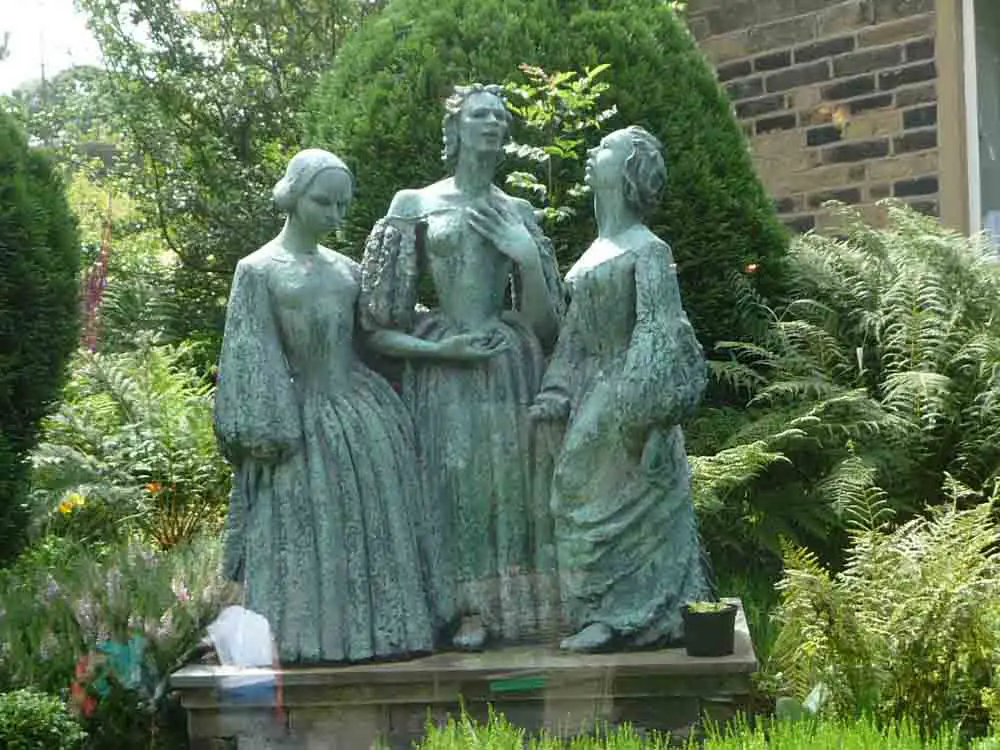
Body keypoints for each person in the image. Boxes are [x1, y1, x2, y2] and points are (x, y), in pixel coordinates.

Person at [359, 84, 565, 650]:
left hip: (505, 365)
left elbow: (546, 327)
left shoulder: (517, 212)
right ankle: (457, 609)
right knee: (450, 485)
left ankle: (507, 608)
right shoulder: (414, 205)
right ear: (455, 129)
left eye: (500, 116)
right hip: (444, 367)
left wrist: (526, 255)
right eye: (480, 114)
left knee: (507, 486)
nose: (493, 123)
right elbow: (378, 325)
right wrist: (442, 351)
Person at [214, 149, 437, 663]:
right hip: (297, 423)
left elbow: (380, 338)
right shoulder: (257, 270)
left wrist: (442, 345)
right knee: (302, 534)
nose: (335, 216)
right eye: (324, 203)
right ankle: (303, 641)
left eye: (342, 206)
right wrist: (267, 433)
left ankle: (385, 636)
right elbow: (250, 356)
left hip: (364, 418)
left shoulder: (348, 270)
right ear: (294, 195)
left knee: (374, 534)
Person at [531, 126, 713, 652]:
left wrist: (654, 416)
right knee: (574, 495)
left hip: (630, 394)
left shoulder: (650, 250)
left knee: (608, 501)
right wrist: (556, 391)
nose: (592, 152)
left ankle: (624, 616)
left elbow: (663, 331)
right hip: (593, 390)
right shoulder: (596, 249)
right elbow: (574, 337)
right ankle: (599, 610)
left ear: (630, 170)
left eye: (606, 148)